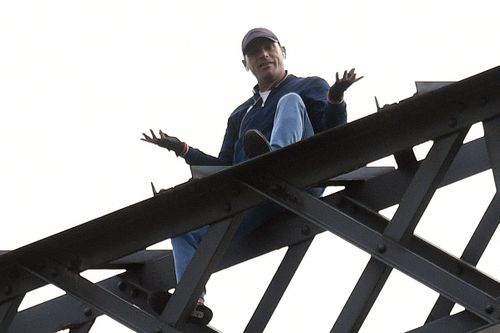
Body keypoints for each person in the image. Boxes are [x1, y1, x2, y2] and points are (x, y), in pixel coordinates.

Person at [142, 27, 362, 319]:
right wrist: (183, 150)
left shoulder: (308, 86)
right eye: (254, 53)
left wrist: (335, 99)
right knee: (183, 229)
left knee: (290, 101)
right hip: (256, 194)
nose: (263, 55)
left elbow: (334, 136)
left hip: (300, 178)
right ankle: (190, 302)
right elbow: (226, 168)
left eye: (268, 48)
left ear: (283, 51)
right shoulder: (241, 114)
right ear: (246, 64)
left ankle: (276, 158)